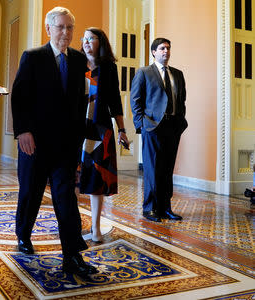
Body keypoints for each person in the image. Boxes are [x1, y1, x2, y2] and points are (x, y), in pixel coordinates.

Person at [11, 7, 97, 277]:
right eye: (60, 27)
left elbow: (79, 102)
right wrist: (23, 131)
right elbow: (19, 97)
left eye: (70, 28)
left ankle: (72, 255)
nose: (65, 33)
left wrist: (81, 138)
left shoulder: (77, 60)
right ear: (49, 29)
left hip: (65, 146)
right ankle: (23, 235)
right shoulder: (33, 57)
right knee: (30, 193)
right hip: (34, 143)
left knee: (66, 198)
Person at [78, 28, 129, 242]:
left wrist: (122, 130)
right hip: (76, 128)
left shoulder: (108, 67)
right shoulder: (75, 63)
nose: (87, 41)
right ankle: (73, 225)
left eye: (91, 38)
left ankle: (96, 229)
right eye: (85, 38)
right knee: (74, 177)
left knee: (96, 180)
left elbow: (115, 101)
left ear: (100, 42)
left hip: (100, 129)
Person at [130, 38, 188, 222]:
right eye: (162, 48)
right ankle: (150, 209)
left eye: (168, 48)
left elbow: (182, 100)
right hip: (152, 127)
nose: (166, 51)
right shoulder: (144, 72)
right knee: (152, 168)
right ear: (153, 52)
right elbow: (135, 100)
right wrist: (141, 124)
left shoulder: (177, 74)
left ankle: (165, 208)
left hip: (173, 127)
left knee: (167, 169)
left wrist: (180, 121)